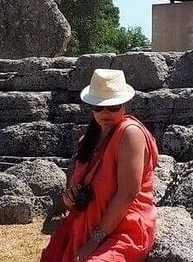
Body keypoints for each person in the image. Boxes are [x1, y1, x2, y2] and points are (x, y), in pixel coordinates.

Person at [40, 68, 160, 262]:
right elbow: (77, 186)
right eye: (98, 107)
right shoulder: (89, 138)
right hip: (83, 223)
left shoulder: (130, 133)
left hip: (122, 227)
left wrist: (93, 242)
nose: (105, 113)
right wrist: (69, 197)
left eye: (113, 107)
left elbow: (127, 194)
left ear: (124, 106)